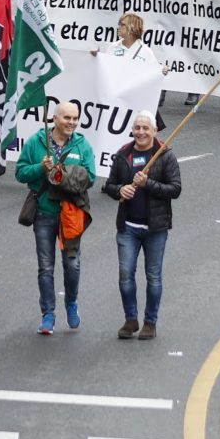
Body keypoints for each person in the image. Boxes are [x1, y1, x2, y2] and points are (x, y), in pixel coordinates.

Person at [17, 101, 97, 335]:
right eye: (67, 118)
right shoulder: (36, 141)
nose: (71, 122)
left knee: (72, 264)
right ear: (55, 119)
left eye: (75, 118)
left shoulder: (83, 145)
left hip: (71, 215)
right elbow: (21, 173)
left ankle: (71, 303)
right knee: (45, 267)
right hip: (44, 213)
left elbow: (90, 176)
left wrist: (62, 176)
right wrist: (41, 169)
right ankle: (48, 314)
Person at [103, 112, 182, 341]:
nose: (140, 132)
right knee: (125, 275)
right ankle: (130, 319)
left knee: (153, 276)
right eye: (137, 127)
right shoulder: (123, 154)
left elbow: (175, 189)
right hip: (128, 227)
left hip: (155, 228)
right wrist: (120, 190)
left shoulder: (165, 155)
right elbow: (109, 185)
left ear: (154, 130)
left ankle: (150, 322)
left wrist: (148, 183)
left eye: (145, 128)